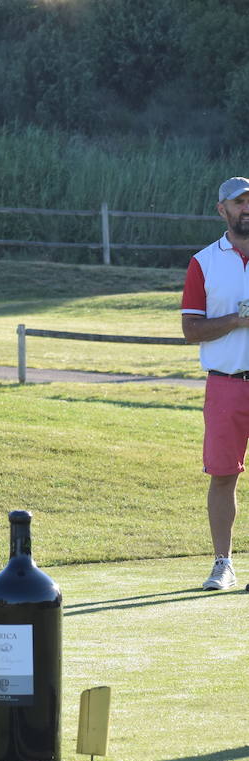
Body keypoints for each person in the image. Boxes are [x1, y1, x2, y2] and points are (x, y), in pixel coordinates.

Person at [182, 176, 249, 591]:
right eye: (239, 202)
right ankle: (223, 562)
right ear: (221, 210)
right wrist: (239, 321)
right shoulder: (204, 261)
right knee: (223, 475)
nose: (247, 208)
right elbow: (191, 329)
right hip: (226, 384)